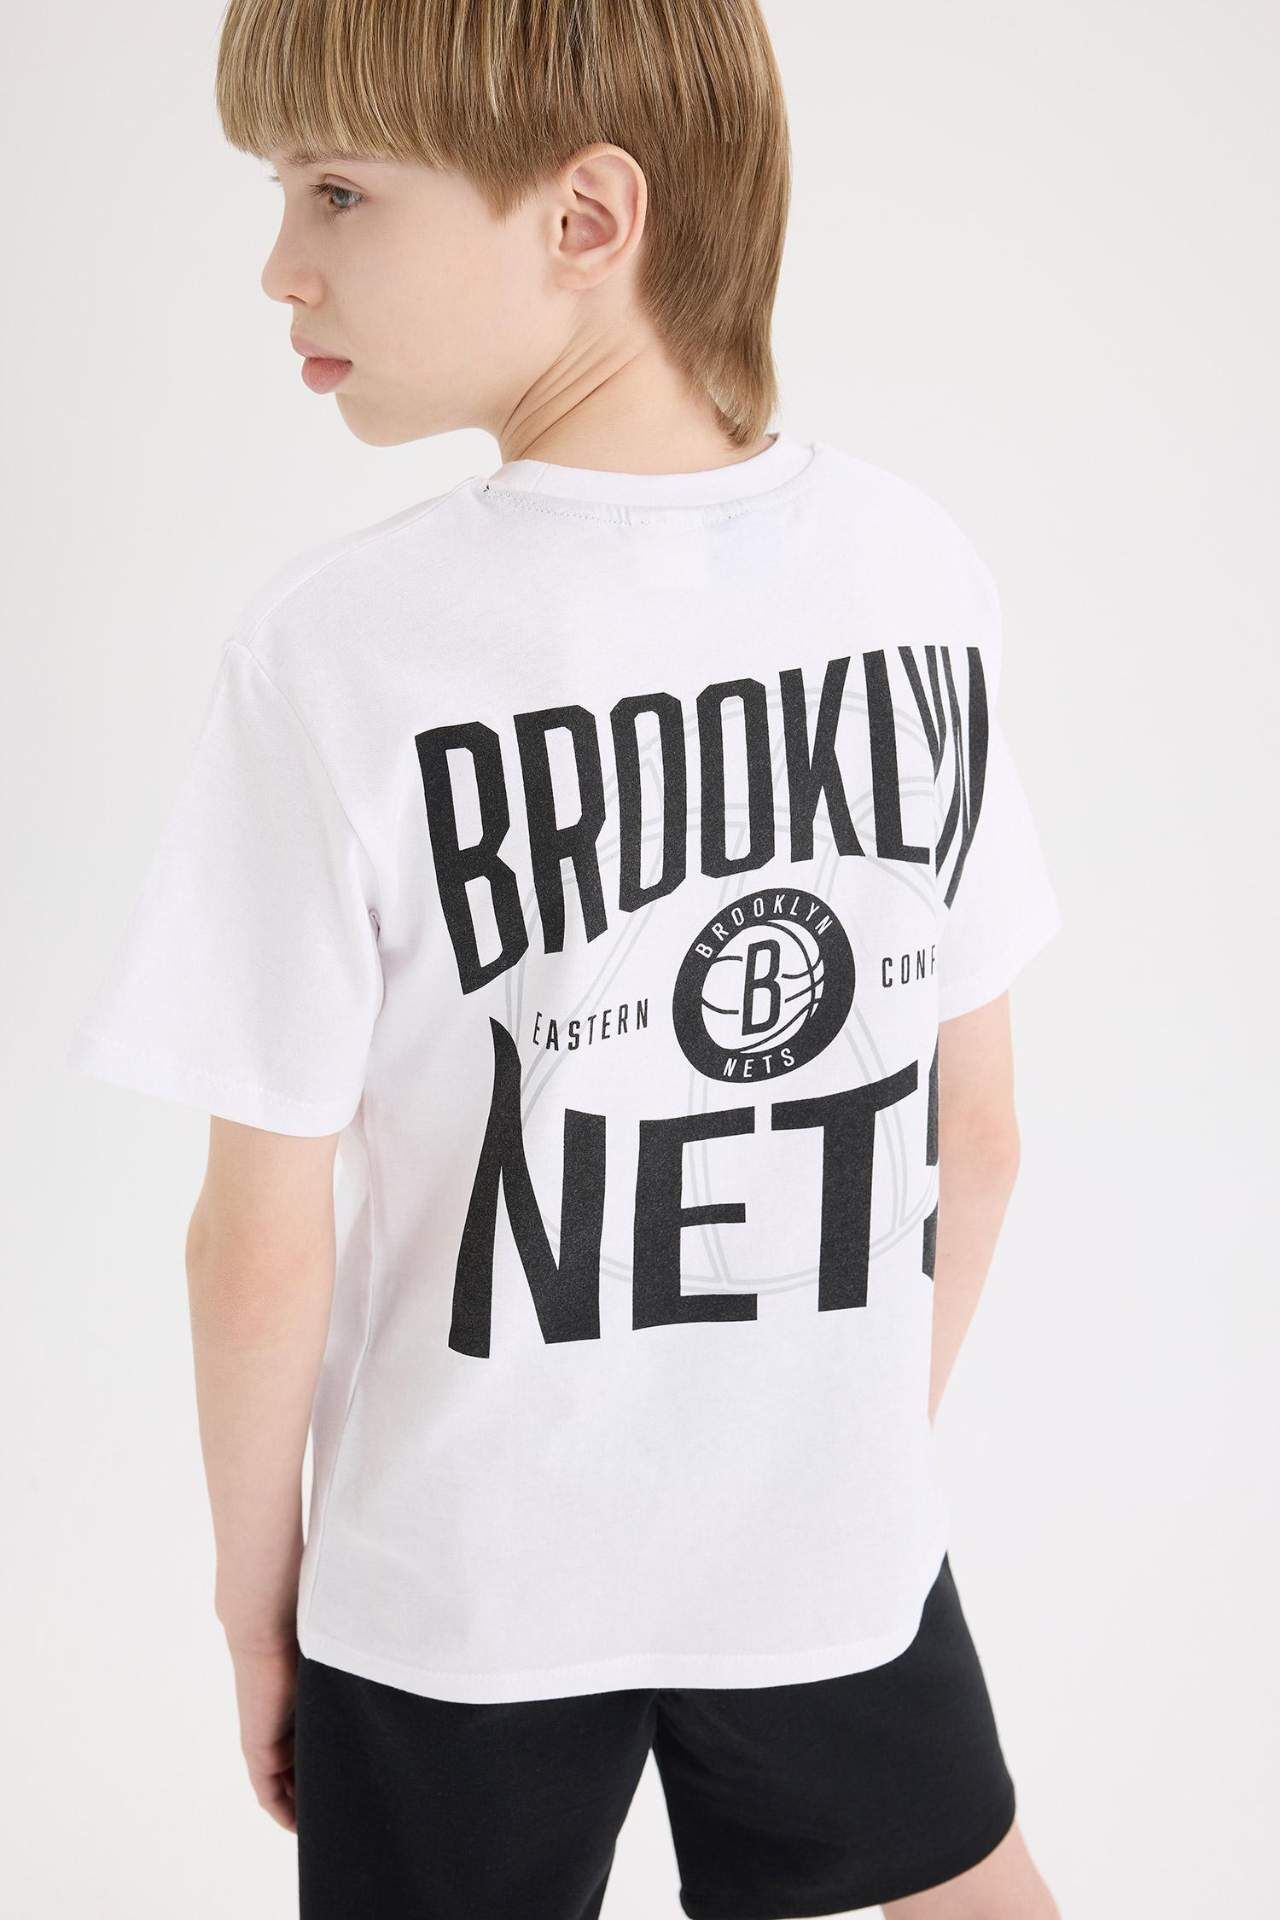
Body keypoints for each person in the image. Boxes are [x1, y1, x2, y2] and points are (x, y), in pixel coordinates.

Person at [66, 1, 1065, 1914]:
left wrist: (256, 1606)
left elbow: (257, 1238)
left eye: (337, 191)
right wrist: (822, 1464)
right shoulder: (914, 570)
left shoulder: (344, 651)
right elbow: (984, 1139)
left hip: (457, 1585)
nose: (281, 265)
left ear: (587, 218)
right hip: (827, 1551)